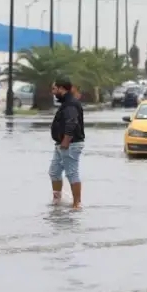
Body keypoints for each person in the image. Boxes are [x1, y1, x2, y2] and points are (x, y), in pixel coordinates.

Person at [48, 76, 85, 209]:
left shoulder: (70, 104)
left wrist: (66, 141)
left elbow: (72, 122)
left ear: (62, 88)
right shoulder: (66, 103)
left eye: (54, 89)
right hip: (60, 144)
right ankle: (57, 200)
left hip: (70, 144)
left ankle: (77, 204)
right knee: (54, 171)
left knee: (71, 173)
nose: (52, 92)